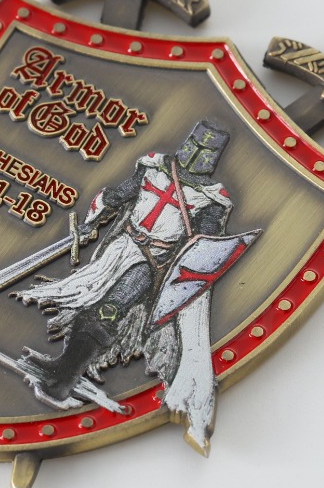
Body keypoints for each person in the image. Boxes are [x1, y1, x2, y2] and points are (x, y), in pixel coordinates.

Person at [14, 118, 233, 404]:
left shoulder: (212, 198)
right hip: (121, 248)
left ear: (213, 156)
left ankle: (64, 379)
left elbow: (204, 246)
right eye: (195, 145)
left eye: (204, 151)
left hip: (153, 261)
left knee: (109, 310)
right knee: (87, 301)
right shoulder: (154, 167)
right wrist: (93, 222)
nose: (196, 153)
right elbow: (119, 195)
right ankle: (64, 365)